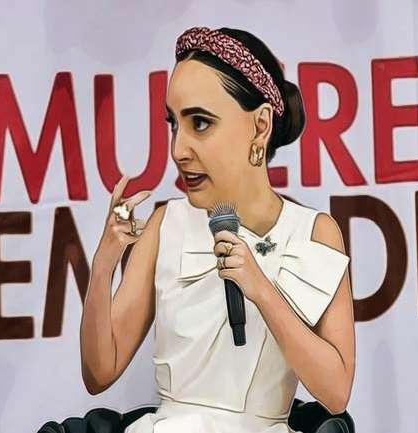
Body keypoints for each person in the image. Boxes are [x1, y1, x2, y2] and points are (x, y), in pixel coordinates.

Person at [80, 26, 355, 433]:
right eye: (174, 124)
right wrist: (103, 264)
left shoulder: (314, 232)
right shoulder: (165, 224)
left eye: (200, 123)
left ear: (260, 126)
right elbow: (99, 373)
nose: (178, 150)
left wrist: (261, 289)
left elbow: (335, 393)